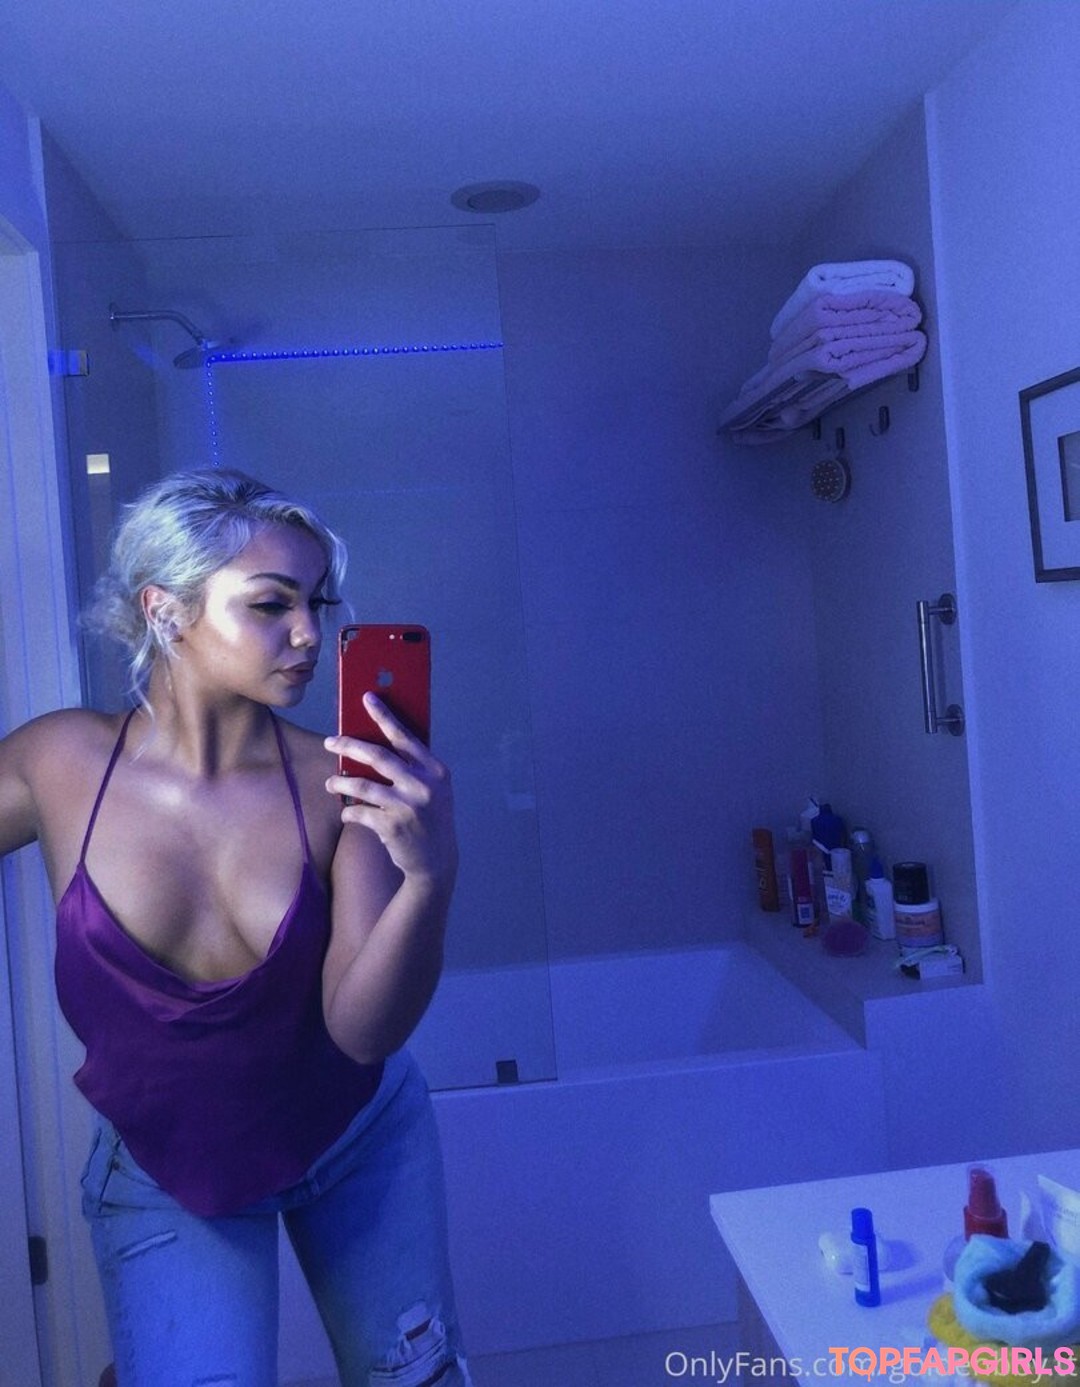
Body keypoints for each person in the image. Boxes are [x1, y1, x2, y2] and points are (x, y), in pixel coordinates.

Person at [0, 468, 471, 1386]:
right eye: (271, 603)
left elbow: (362, 1029)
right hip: (165, 1172)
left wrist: (430, 875)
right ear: (167, 609)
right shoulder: (60, 762)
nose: (310, 633)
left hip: (357, 1141)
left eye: (315, 602)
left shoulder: (339, 781)